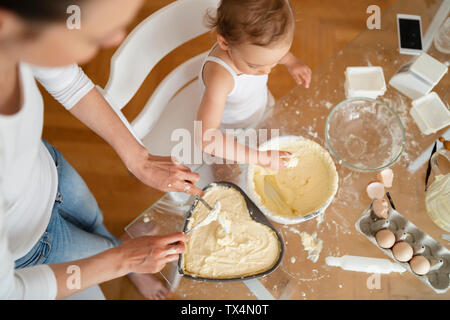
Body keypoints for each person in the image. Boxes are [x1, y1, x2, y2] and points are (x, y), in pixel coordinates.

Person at [0, 0, 203, 300]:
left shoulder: (16, 35)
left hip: (50, 172)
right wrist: (123, 260)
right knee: (109, 251)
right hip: (30, 249)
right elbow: (12, 292)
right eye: (92, 36)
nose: (116, 40)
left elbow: (69, 83)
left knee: (97, 223)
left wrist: (140, 159)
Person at [196, 0, 312, 170]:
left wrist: (292, 62)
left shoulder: (255, 52)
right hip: (229, 132)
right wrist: (261, 159)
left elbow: (271, 53)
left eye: (274, 62)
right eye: (255, 66)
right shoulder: (221, 77)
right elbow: (206, 138)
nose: (267, 72)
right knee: (227, 167)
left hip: (259, 107)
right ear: (225, 43)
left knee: (271, 138)